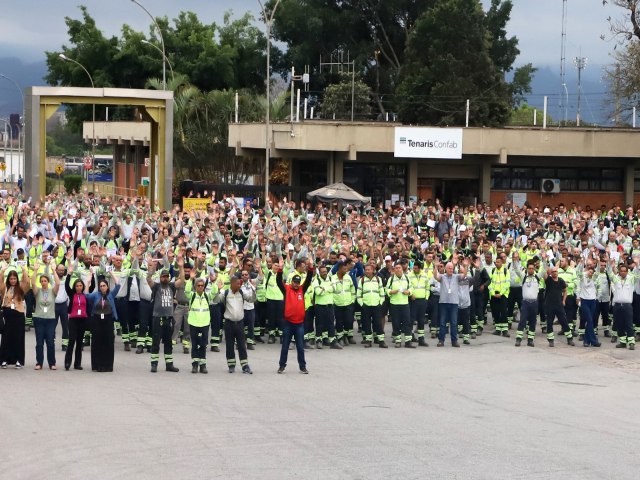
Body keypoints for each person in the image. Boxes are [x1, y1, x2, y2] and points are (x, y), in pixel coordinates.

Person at [276, 267, 313, 374]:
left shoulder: (302, 289)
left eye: (298, 282)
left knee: (300, 347)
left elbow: (308, 279)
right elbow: (279, 282)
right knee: (285, 346)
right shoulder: (286, 289)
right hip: (288, 323)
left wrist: (310, 268)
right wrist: (280, 270)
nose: (296, 284)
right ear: (291, 282)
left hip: (299, 324)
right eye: (295, 282)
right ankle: (282, 366)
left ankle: (302, 367)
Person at [146, 263, 180, 373]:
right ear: (160, 277)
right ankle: (154, 364)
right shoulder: (156, 286)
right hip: (158, 318)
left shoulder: (171, 286)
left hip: (169, 318)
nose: (165, 278)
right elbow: (148, 279)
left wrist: (181, 267)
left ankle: (169, 365)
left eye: (167, 276)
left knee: (168, 343)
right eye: (163, 276)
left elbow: (182, 280)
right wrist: (151, 270)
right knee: (156, 342)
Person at [217, 275, 256, 374]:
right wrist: (217, 289)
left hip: (239, 323)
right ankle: (231, 365)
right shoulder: (225, 293)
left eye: (240, 283)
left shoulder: (242, 293)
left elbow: (251, 300)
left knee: (242, 345)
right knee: (229, 345)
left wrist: (254, 290)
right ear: (232, 283)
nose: (240, 285)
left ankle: (245, 365)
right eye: (238, 283)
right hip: (229, 323)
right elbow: (215, 300)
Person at [85, 272, 121, 371]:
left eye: (104, 286)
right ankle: (97, 365)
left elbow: (118, 285)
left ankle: (108, 365)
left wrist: (111, 273)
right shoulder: (96, 295)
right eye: (100, 286)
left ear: (107, 286)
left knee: (108, 342)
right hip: (97, 320)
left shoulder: (111, 294)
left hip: (108, 319)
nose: (102, 288)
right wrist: (88, 282)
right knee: (97, 342)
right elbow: (87, 296)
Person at [31, 258, 61, 370]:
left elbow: (58, 283)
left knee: (50, 342)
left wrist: (54, 270)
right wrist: (35, 270)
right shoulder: (37, 291)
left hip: (50, 320)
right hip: (39, 319)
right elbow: (32, 282)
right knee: (39, 343)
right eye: (42, 281)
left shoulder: (52, 292)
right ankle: (39, 363)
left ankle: (52, 363)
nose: (43, 282)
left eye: (45, 281)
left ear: (48, 282)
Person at [432, 257, 468, 348]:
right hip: (443, 303)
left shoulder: (456, 277)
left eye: (452, 268)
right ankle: (441, 340)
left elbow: (464, 275)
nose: (450, 270)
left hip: (454, 303)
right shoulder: (442, 277)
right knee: (442, 322)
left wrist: (465, 266)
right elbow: (435, 276)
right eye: (448, 268)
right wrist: (436, 267)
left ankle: (454, 341)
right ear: (445, 269)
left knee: (454, 322)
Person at [0, 266, 30, 368]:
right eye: (11, 279)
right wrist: (2, 271)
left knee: (18, 338)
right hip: (8, 315)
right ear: (8, 279)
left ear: (17, 279)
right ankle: (4, 359)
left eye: (14, 279)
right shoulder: (6, 288)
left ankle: (19, 360)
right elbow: (0, 283)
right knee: (6, 338)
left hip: (18, 315)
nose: (13, 280)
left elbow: (26, 283)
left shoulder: (20, 289)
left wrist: (24, 270)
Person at [64, 264, 91, 370]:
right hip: (73, 320)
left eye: (80, 286)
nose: (79, 287)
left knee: (80, 343)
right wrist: (69, 274)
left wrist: (89, 279)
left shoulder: (85, 295)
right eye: (77, 286)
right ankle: (67, 362)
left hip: (83, 320)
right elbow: (66, 285)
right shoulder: (72, 294)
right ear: (75, 287)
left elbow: (90, 287)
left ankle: (77, 363)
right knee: (71, 341)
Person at [543, 266, 575, 347]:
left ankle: (569, 339)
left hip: (559, 306)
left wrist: (563, 300)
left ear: (557, 272)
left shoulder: (561, 281)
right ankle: (551, 340)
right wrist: (546, 267)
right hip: (550, 306)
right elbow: (545, 275)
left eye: (556, 271)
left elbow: (565, 290)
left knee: (564, 322)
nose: (554, 273)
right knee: (549, 323)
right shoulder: (549, 280)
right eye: (553, 271)